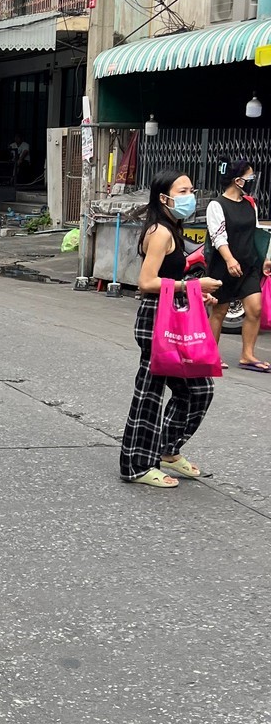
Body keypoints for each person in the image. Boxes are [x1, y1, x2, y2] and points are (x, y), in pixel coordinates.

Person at [120, 169, 222, 487]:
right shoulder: (161, 232)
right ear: (164, 197)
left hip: (170, 313)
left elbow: (168, 279)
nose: (190, 196)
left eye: (191, 189)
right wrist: (190, 285)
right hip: (156, 318)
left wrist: (194, 291)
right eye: (183, 191)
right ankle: (136, 466)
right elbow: (146, 282)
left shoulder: (173, 228)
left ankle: (166, 449)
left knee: (197, 390)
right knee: (149, 393)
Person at [205, 159, 271, 374]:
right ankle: (211, 354)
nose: (252, 181)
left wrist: (264, 259)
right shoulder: (217, 205)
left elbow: (255, 233)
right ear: (238, 181)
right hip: (223, 266)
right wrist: (229, 259)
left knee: (255, 309)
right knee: (219, 310)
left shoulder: (250, 203)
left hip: (248, 264)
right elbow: (217, 236)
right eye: (249, 178)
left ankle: (247, 355)